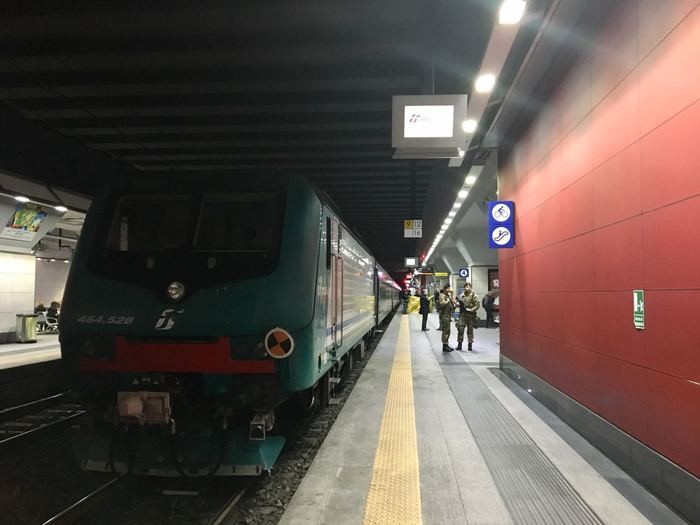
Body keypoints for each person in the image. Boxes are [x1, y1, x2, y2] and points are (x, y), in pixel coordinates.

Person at [456, 282, 479, 351]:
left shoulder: (474, 296)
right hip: (462, 315)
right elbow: (459, 303)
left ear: (470, 288)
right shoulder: (462, 295)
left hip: (470, 315)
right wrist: (457, 304)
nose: (466, 288)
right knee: (460, 329)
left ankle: (470, 344)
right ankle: (459, 344)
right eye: (465, 287)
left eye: (467, 287)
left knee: (470, 330)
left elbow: (477, 305)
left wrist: (471, 309)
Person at [438, 283, 456, 352]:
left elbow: (452, 306)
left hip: (448, 315)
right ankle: (444, 346)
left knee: (448, 331)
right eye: (448, 288)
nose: (449, 289)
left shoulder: (448, 296)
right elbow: (442, 304)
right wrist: (447, 301)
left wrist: (453, 301)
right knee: (445, 331)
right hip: (444, 316)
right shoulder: (442, 295)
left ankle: (446, 344)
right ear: (445, 289)